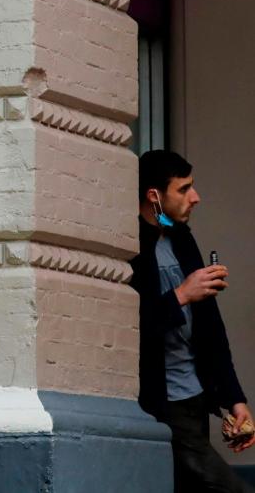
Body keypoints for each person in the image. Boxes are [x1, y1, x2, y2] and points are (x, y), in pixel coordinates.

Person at [132, 150, 255, 491]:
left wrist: (235, 399)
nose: (195, 197)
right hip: (162, 401)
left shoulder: (180, 237)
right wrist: (182, 294)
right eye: (184, 189)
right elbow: (126, 326)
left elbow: (211, 328)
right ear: (154, 196)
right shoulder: (130, 243)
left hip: (195, 396)